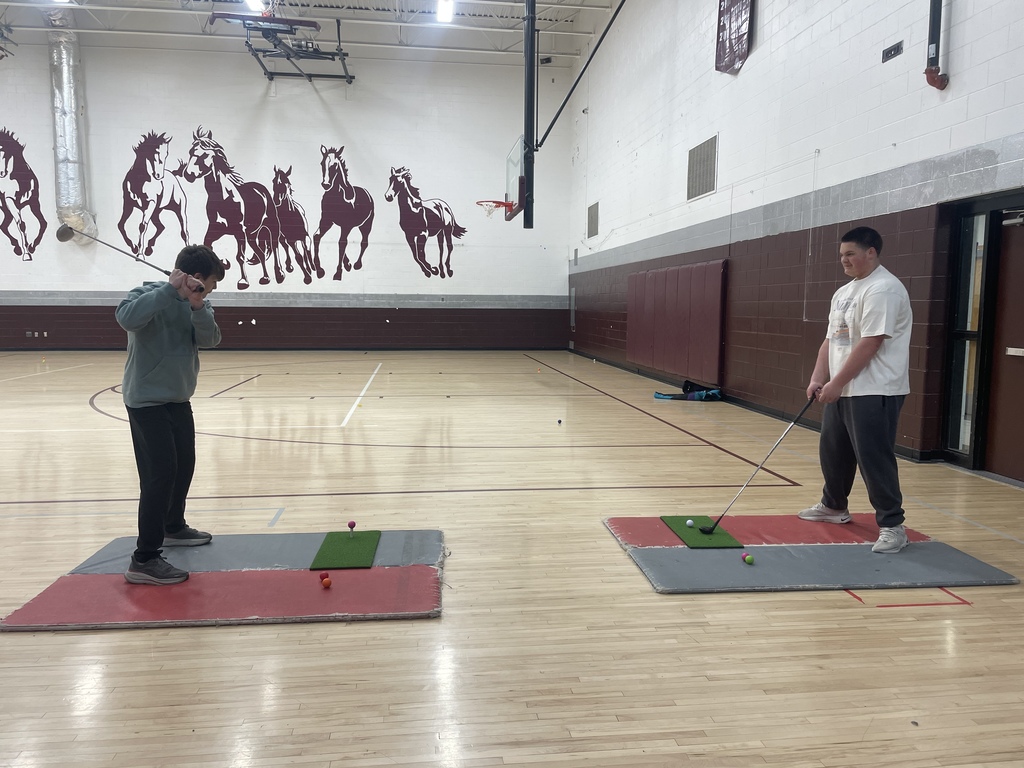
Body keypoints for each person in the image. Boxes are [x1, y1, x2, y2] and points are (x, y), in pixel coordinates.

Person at [798, 226, 913, 554]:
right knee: (833, 451)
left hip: (876, 389)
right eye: (841, 256)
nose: (844, 261)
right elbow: (831, 340)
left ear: (871, 252)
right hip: (844, 388)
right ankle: (834, 507)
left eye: (850, 254)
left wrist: (837, 382)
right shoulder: (845, 292)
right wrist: (818, 377)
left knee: (874, 458)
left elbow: (872, 342)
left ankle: (893, 525)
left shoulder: (884, 289)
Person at [115, 245, 225, 585]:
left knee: (183, 465)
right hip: (146, 401)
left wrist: (197, 306)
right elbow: (126, 319)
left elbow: (211, 340)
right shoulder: (148, 293)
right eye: (211, 282)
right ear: (193, 276)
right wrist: (168, 290)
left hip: (178, 399)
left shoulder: (197, 304)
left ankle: (172, 526)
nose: (212, 289)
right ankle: (144, 558)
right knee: (159, 475)